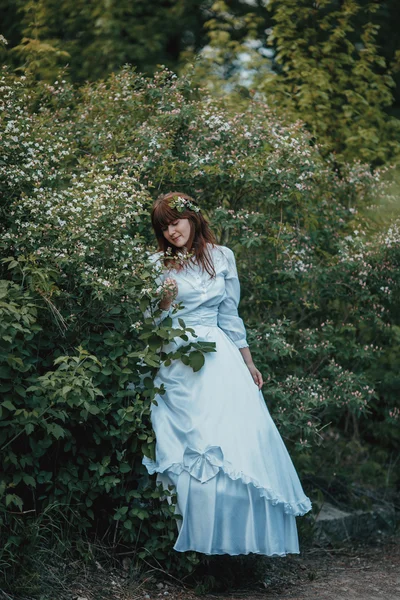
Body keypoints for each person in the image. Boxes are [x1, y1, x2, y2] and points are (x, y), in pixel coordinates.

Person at [141, 191, 312, 556]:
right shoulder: (159, 264)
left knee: (239, 442)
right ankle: (195, 541)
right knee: (192, 444)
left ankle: (240, 543)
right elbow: (152, 325)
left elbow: (230, 316)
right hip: (178, 357)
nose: (172, 232)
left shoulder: (222, 257)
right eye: (164, 227)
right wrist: (166, 300)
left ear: (192, 218)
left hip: (219, 355)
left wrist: (248, 361)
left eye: (176, 222)